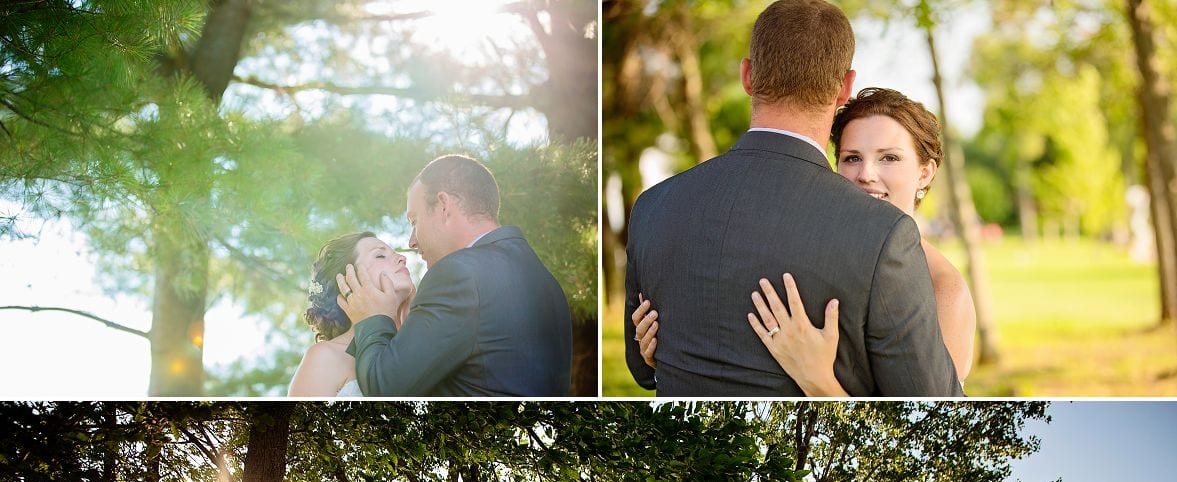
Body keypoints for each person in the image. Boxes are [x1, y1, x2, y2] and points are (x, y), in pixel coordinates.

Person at [622, 0, 960, 397]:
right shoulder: (882, 234)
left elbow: (645, 369)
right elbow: (931, 403)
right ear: (845, 89)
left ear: (747, 76)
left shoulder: (653, 206)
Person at [336, 154, 573, 396]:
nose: (412, 242)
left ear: (443, 206)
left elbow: (384, 389)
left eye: (414, 221)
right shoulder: (545, 281)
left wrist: (374, 316)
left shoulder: (458, 274)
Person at [288, 233, 414, 396]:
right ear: (348, 282)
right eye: (380, 255)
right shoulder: (325, 357)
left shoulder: (421, 340)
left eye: (396, 253)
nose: (402, 257)